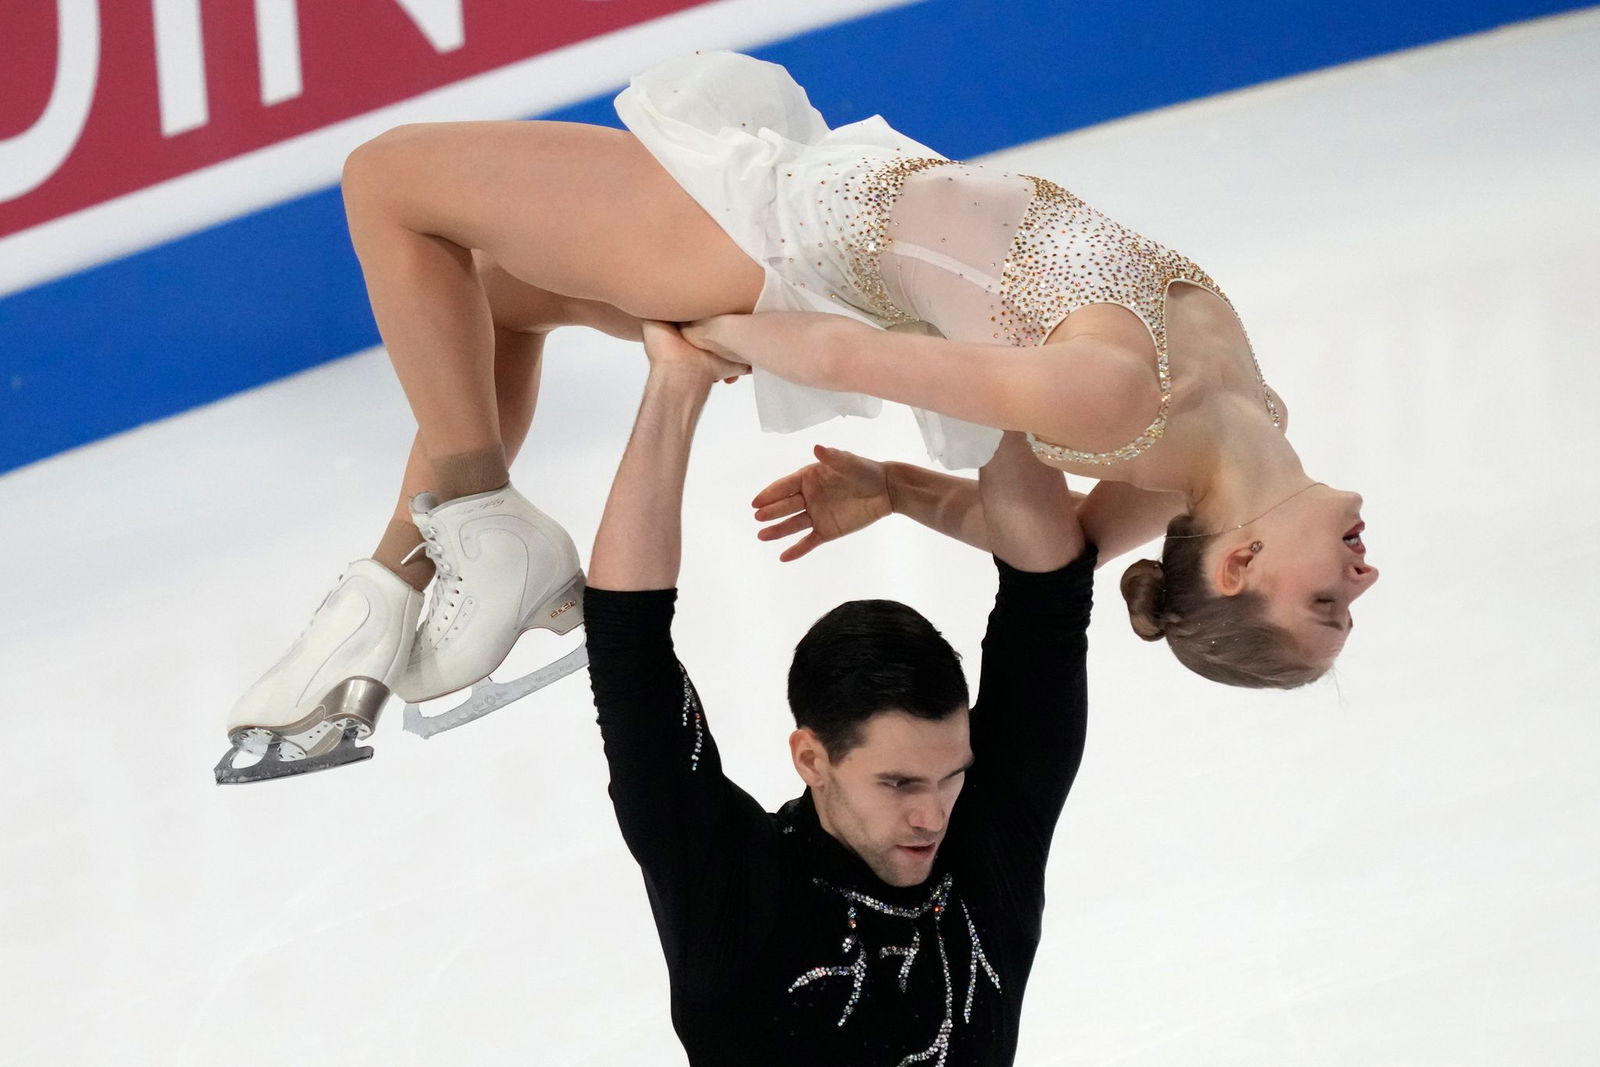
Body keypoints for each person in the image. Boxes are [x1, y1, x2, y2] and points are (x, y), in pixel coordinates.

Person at [215, 50, 1378, 782]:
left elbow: (840, 352)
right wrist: (897, 491)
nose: (1357, 581)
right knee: (493, 303)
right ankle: (390, 589)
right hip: (821, 235)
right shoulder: (1211, 441)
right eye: (1345, 603)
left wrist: (707, 340)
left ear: (1237, 563)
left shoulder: (1119, 402)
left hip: (766, 231)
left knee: (388, 178)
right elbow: (1056, 545)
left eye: (1321, 602)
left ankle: (477, 519)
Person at [586, 319, 1096, 1065]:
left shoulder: (984, 837)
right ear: (811, 757)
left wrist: (978, 360)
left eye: (951, 776)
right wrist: (676, 381)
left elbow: (1049, 587)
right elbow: (627, 647)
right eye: (897, 782)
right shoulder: (731, 885)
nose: (932, 814)